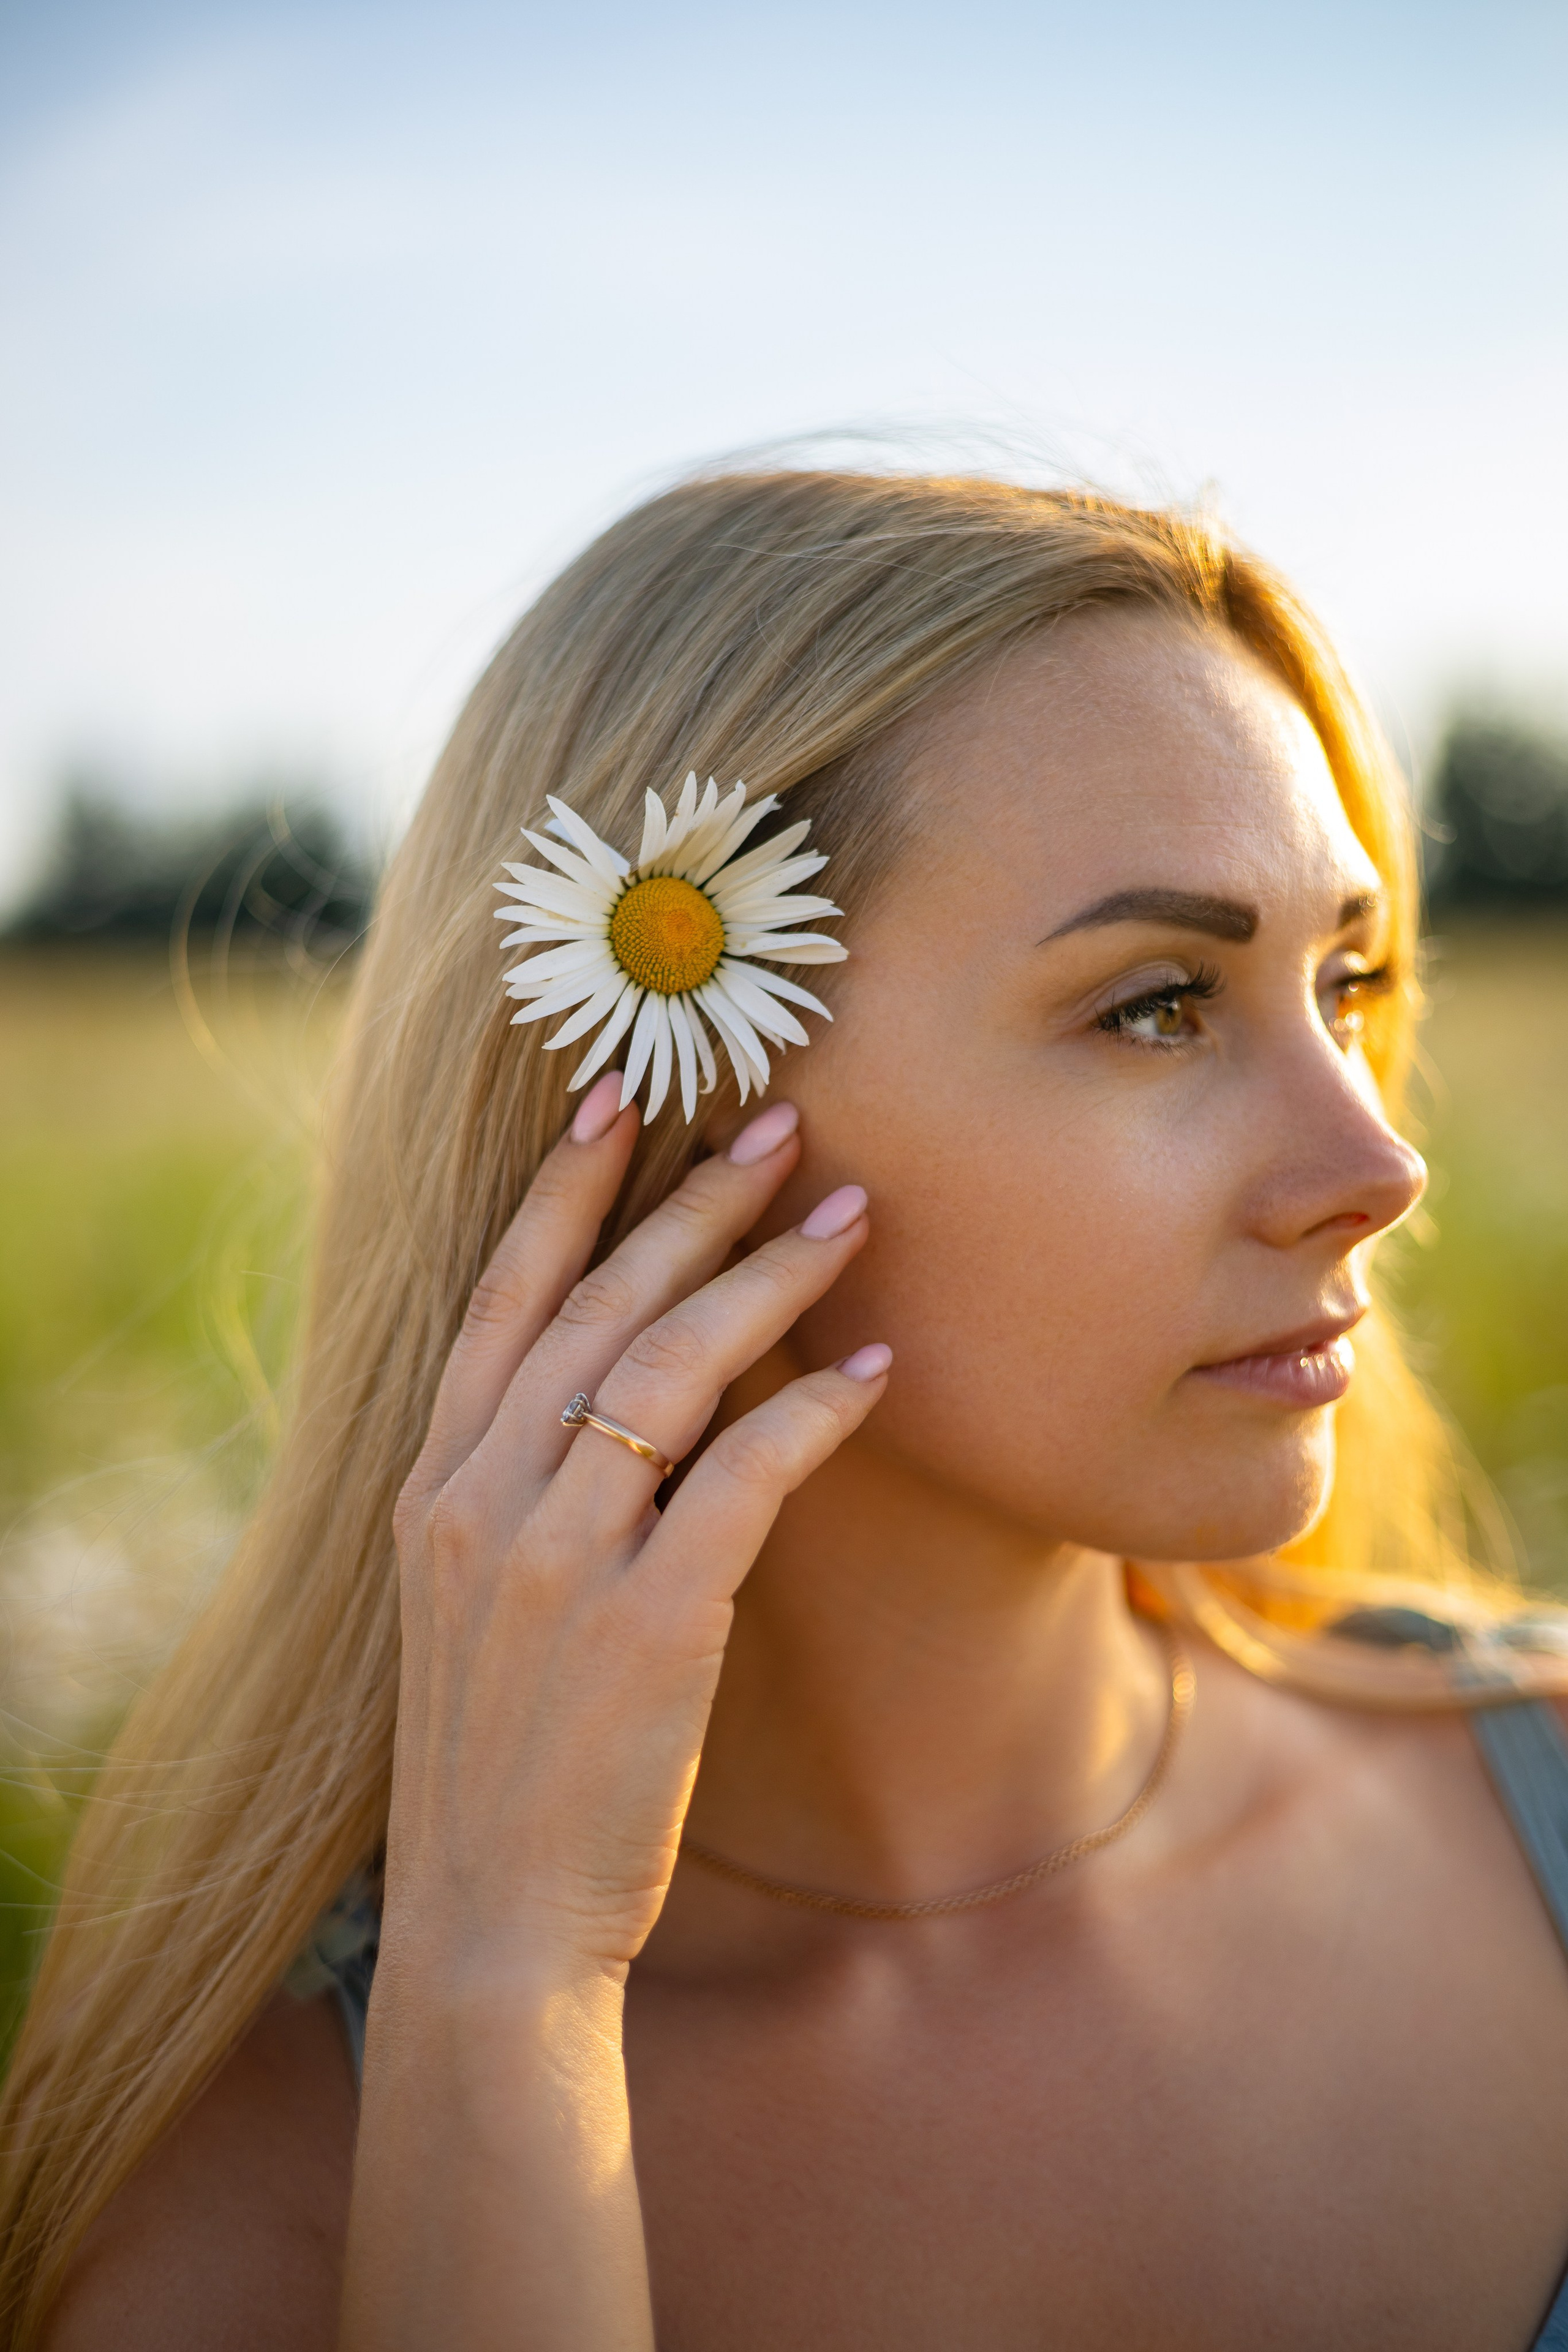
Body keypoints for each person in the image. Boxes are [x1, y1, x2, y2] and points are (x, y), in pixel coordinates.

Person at [7, 467, 1568, 2352]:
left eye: (1349, 979)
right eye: (1158, 1003)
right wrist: (504, 2007)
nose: (1378, 1161)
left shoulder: (1542, 1800)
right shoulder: (271, 2191)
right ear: (675, 1096)